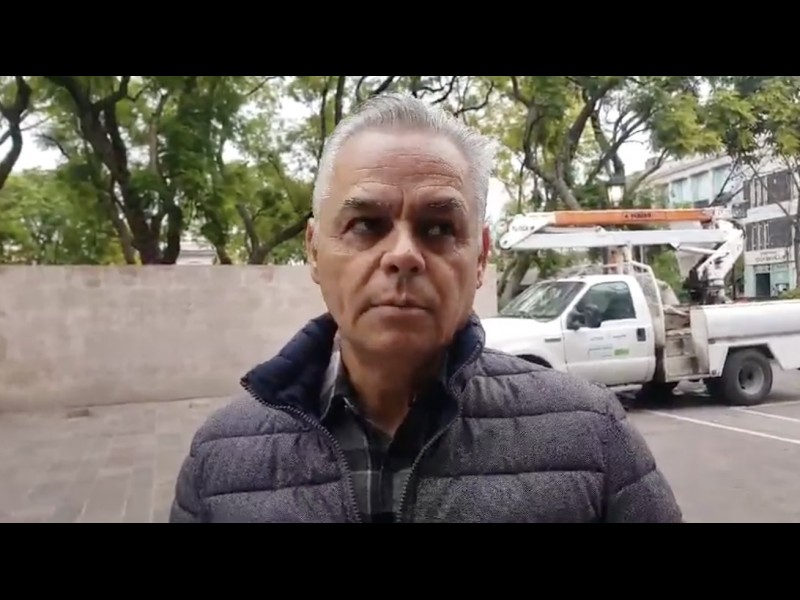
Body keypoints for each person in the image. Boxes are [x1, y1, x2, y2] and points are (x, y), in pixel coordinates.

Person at [169, 92, 683, 523]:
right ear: (314, 250)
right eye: (366, 225)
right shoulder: (220, 459)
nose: (403, 255)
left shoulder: (591, 436)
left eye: (438, 228)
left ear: (480, 257)